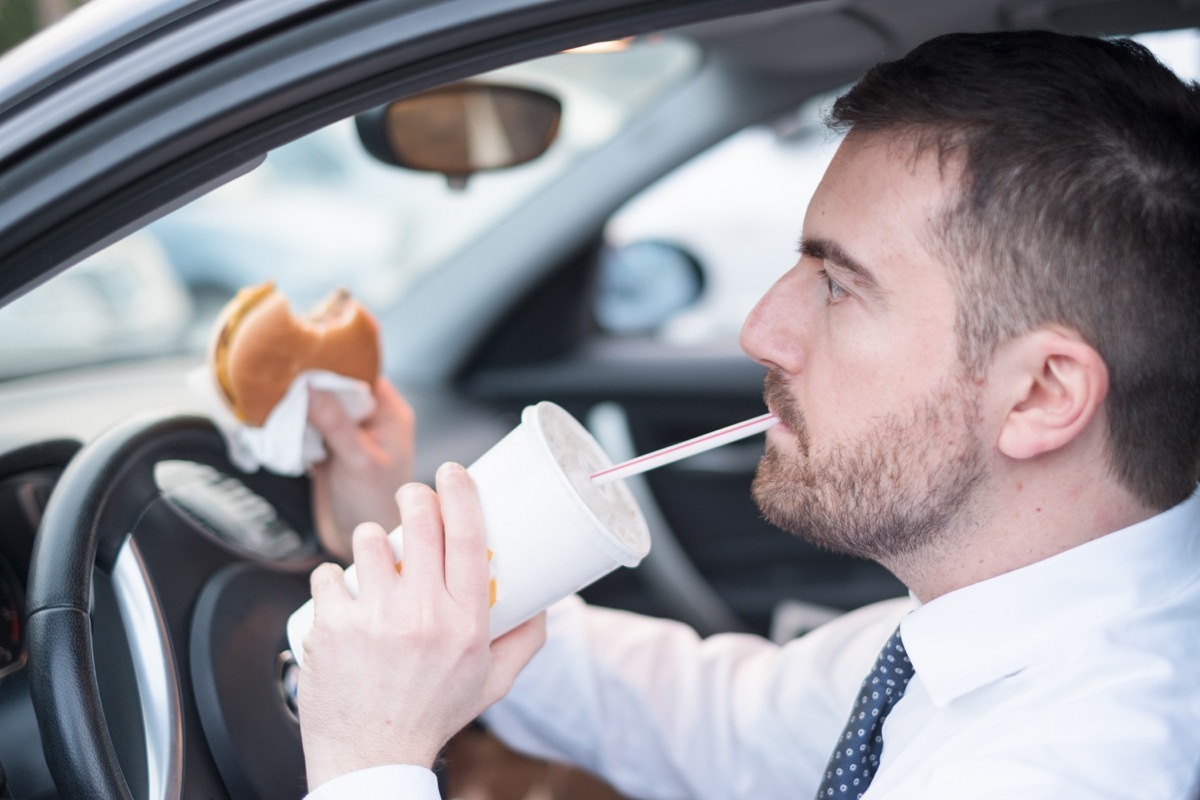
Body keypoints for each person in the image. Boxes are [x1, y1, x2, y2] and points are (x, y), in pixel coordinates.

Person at [295, 29, 1200, 799]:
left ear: (1042, 394)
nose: (761, 329)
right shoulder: (998, 623)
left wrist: (369, 760)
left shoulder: (1072, 766)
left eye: (840, 286)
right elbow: (723, 720)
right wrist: (429, 578)